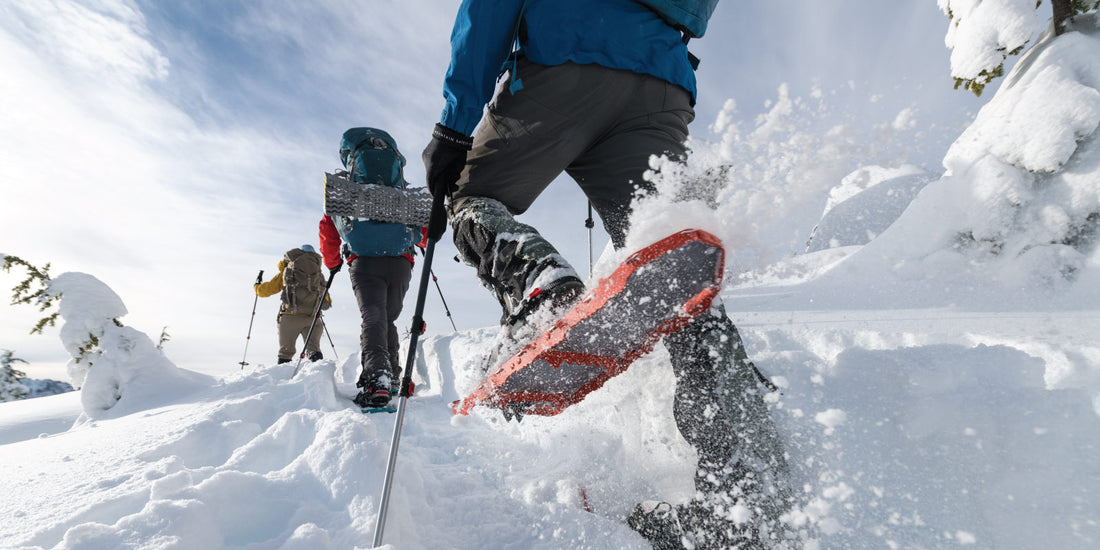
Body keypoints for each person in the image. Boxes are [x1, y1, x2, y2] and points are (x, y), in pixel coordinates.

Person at [421, 1, 792, 547]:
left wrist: (454, 129)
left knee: (472, 197)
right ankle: (740, 501)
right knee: (673, 269)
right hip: (661, 82)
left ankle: (540, 287)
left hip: (564, 57)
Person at [320, 128, 427, 409]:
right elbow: (424, 230)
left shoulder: (347, 190)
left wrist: (332, 263)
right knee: (386, 319)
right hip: (401, 262)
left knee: (373, 318)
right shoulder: (400, 192)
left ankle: (376, 379)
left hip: (365, 262)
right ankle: (391, 375)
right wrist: (420, 242)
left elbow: (328, 227)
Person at [254, 244, 330, 365]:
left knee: (285, 353)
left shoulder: (288, 270)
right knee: (314, 352)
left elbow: (267, 290)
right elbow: (327, 302)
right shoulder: (318, 275)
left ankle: (283, 381)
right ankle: (319, 377)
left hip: (290, 317)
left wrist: (257, 287)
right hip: (312, 318)